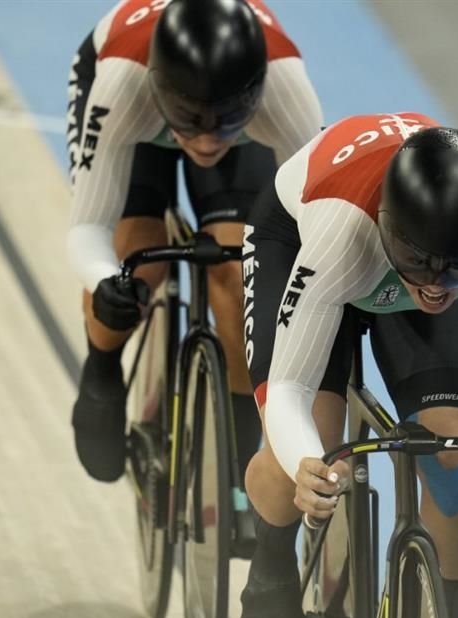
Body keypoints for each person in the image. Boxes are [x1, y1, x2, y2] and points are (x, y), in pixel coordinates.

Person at [238, 114, 458, 618]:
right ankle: (270, 569)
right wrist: (304, 462)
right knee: (307, 452)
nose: (437, 288)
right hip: (306, 242)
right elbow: (289, 389)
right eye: (424, 267)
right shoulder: (339, 230)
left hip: (406, 249)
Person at [66, 0, 322, 484]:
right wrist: (105, 283)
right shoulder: (121, 84)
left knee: (238, 277)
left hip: (242, 139)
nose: (205, 143)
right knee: (136, 261)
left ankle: (236, 466)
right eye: (191, 123)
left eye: (223, 121)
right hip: (137, 124)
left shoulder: (286, 89)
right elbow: (89, 227)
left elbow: (311, 221)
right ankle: (101, 369)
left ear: (254, 94)